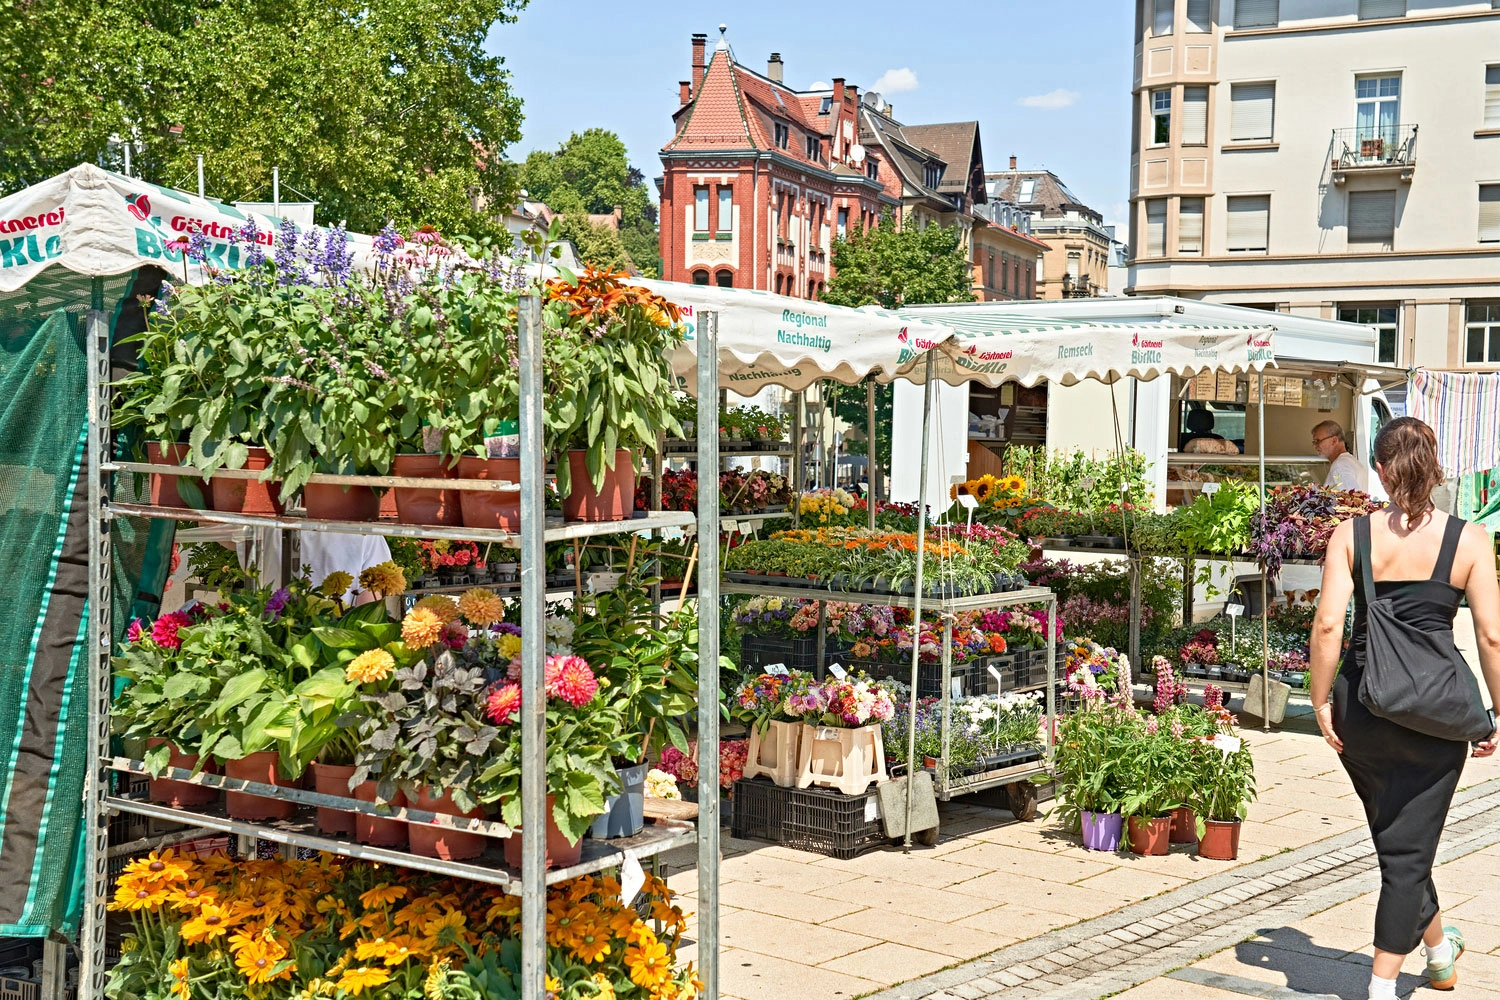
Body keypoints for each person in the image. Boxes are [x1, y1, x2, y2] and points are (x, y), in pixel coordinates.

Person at [1309, 416, 1500, 1000]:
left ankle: (1439, 956)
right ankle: (1382, 987)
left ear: (1382, 469)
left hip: (1362, 709)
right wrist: (1496, 708)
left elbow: (1326, 625)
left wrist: (1319, 701)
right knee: (1407, 849)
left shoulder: (1351, 535)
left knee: (1401, 843)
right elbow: (1492, 637)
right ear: (1433, 463)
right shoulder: (1468, 539)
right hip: (1437, 713)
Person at [1314, 419, 1369, 492]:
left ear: (1334, 440)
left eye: (1318, 441)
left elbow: (1351, 499)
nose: (1314, 446)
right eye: (1314, 442)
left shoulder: (1340, 466)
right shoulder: (1347, 461)